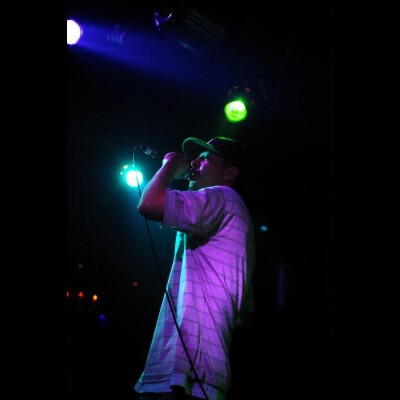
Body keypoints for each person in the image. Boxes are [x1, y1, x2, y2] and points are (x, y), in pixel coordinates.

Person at [134, 136, 256, 400]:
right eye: (195, 157)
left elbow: (149, 204)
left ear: (229, 172)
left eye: (206, 157)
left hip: (186, 375)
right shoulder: (240, 222)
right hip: (206, 374)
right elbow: (244, 315)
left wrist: (170, 165)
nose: (195, 161)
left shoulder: (222, 196)